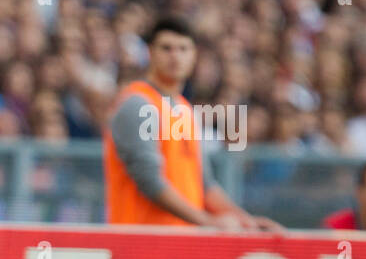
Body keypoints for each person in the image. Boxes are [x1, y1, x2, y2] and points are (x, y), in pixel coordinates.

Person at [104, 18, 280, 231]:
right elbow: (149, 181)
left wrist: (246, 221)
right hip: (141, 242)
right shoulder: (137, 103)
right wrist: (207, 221)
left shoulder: (185, 111)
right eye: (166, 48)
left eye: (183, 49)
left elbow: (204, 185)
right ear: (150, 52)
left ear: (194, 55)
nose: (175, 56)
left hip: (181, 243)